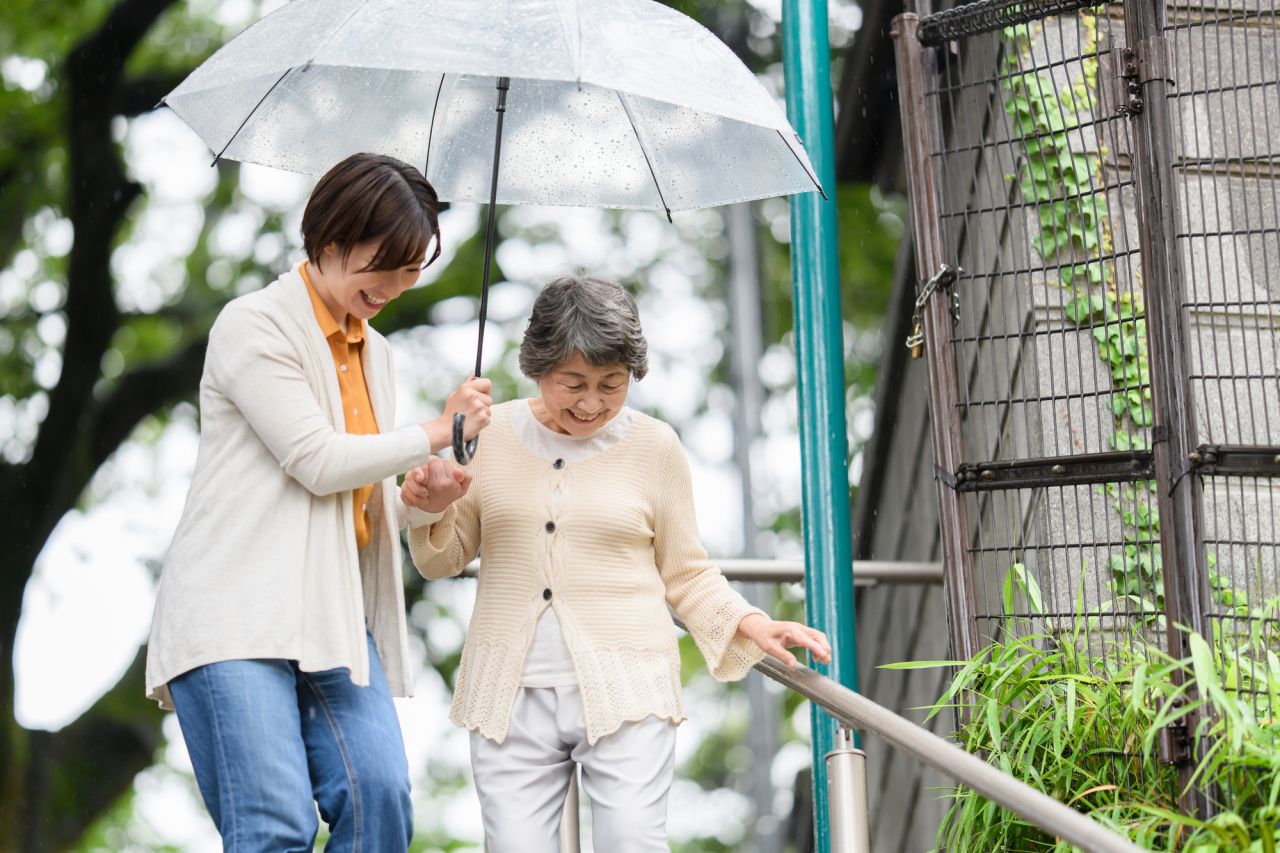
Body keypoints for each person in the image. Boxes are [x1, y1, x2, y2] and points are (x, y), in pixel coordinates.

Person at [401, 274, 831, 852]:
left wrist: (751, 622)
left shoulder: (655, 447)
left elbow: (686, 572)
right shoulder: (488, 433)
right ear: (537, 366)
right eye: (572, 382)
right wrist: (432, 509)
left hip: (629, 686)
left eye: (612, 384)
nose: (591, 403)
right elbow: (444, 559)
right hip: (509, 692)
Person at [145, 152, 492, 852]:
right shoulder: (255, 325)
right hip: (234, 615)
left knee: (382, 801)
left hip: (334, 621)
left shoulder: (380, 355)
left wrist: (422, 496)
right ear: (330, 240)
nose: (397, 284)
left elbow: (357, 507)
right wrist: (436, 430)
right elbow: (316, 460)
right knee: (275, 828)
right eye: (385, 263)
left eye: (412, 266)